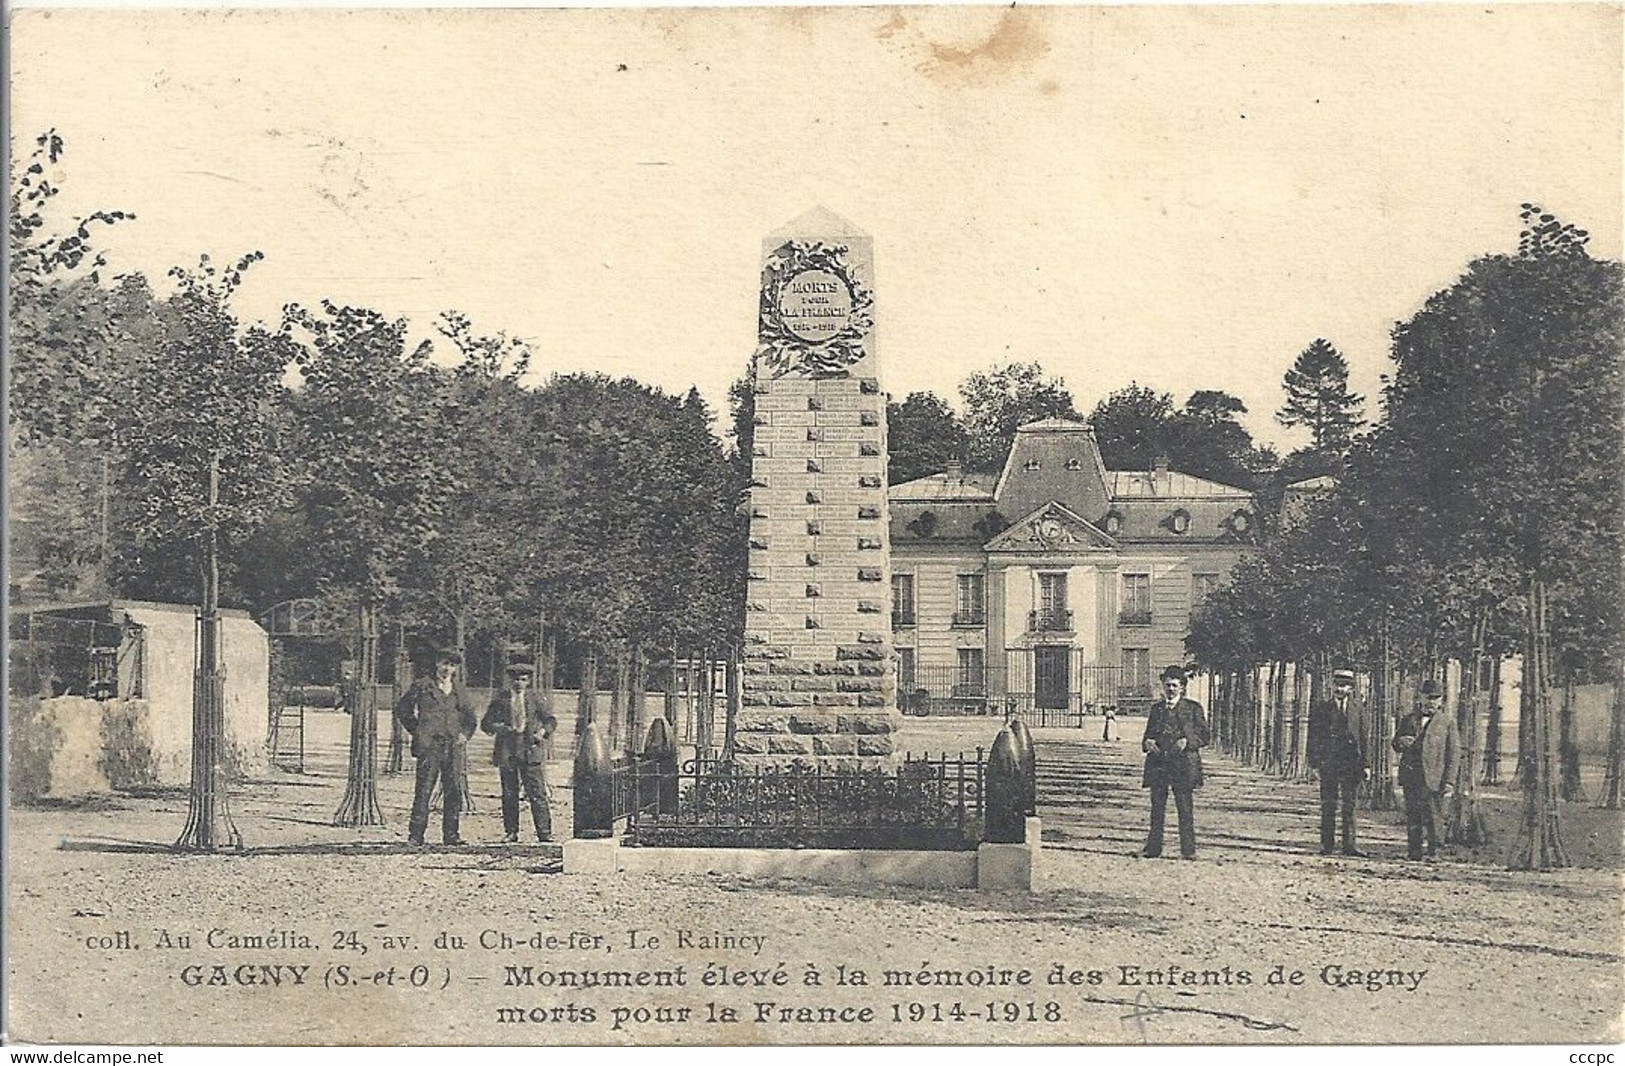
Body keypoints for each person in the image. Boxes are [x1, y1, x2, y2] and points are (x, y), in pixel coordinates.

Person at [395, 647, 479, 846]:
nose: (446, 669)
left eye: (451, 665)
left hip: (452, 747)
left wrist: (464, 735)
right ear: (436, 664)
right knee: (424, 789)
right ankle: (416, 836)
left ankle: (451, 835)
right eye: (443, 663)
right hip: (429, 746)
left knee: (453, 790)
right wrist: (418, 731)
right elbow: (403, 709)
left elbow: (470, 718)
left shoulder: (459, 689)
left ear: (456, 668)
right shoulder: (423, 685)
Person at [481, 661, 558, 843]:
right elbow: (486, 724)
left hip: (530, 751)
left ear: (528, 681)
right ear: (510, 680)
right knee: (509, 793)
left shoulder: (536, 699)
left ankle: (544, 833)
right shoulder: (501, 700)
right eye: (515, 679)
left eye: (523, 680)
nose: (519, 683)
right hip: (507, 751)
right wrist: (502, 728)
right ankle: (511, 832)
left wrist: (542, 732)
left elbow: (551, 721)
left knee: (537, 793)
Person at [1139, 665, 1209, 859]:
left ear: (1182, 688)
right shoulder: (1156, 709)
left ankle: (1188, 850)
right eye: (1167, 685)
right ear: (1163, 686)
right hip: (1159, 765)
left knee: (1185, 809)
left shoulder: (1193, 709)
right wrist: (1148, 742)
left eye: (1174, 685)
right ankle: (1153, 849)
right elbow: (1147, 736)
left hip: (1183, 766)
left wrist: (1188, 742)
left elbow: (1205, 736)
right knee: (1157, 809)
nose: (1170, 689)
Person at [1392, 678, 1460, 861]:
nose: (1432, 702)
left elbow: (1453, 755)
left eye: (1436, 698)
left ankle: (1434, 851)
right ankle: (1414, 852)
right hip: (1411, 774)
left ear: (1441, 700)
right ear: (1420, 697)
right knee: (1413, 814)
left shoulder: (1447, 723)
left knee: (1433, 816)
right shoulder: (1408, 719)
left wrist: (1449, 781)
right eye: (1428, 697)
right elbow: (1395, 743)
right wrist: (1400, 742)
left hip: (1434, 777)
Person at [1307, 667, 1369, 856]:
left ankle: (1349, 845)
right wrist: (1314, 764)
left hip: (1351, 764)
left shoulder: (1358, 709)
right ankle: (1327, 845)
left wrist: (1366, 764)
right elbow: (1313, 737)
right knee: (1328, 804)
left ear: (1350, 688)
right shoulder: (1321, 708)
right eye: (1337, 685)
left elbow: (1364, 738)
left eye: (1344, 686)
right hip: (1329, 764)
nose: (1340, 689)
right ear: (1331, 686)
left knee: (1349, 806)